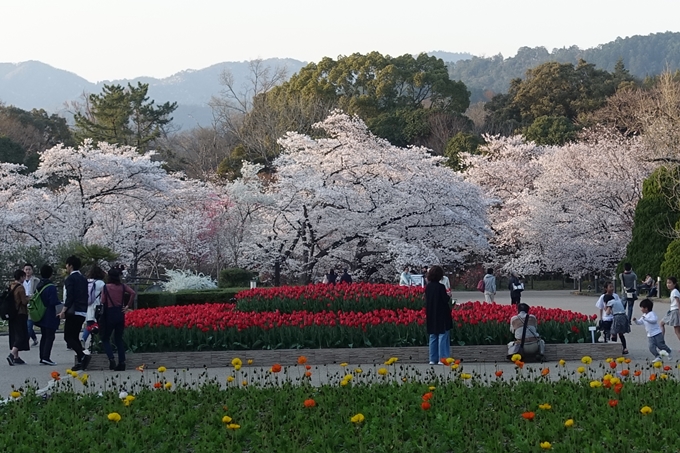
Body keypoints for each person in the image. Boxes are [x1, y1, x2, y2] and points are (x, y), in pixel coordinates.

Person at [100, 268, 136, 371]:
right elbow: (133, 293)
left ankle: (111, 359)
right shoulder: (123, 286)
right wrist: (127, 306)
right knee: (118, 339)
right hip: (120, 313)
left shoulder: (106, 287)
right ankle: (122, 362)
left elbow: (103, 301)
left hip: (109, 314)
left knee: (105, 338)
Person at [60, 255, 91, 371]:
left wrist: (63, 310)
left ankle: (83, 356)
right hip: (82, 311)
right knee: (75, 336)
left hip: (73, 311)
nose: (66, 267)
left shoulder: (70, 279)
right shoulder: (83, 279)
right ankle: (81, 360)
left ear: (70, 266)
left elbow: (70, 297)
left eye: (67, 265)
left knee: (68, 337)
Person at [424, 265, 452, 365]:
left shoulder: (428, 287)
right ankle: (442, 358)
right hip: (441, 314)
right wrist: (448, 296)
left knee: (433, 335)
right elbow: (444, 300)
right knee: (442, 335)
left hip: (431, 313)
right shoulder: (441, 287)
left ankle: (432, 359)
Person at [34, 265, 60, 366]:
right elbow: (53, 301)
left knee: (44, 336)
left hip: (41, 313)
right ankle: (46, 357)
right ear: (51, 274)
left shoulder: (39, 285)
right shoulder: (51, 287)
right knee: (50, 336)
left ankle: (42, 357)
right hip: (50, 313)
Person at [633, 298, 671, 363]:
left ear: (646, 308)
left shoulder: (652, 314)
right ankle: (657, 356)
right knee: (651, 347)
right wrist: (636, 321)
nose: (641, 309)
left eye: (642, 308)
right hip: (650, 334)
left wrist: (646, 319)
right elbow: (640, 322)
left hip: (657, 333)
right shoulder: (644, 316)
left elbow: (654, 321)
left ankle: (668, 351)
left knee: (660, 345)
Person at [7, 270, 29, 366]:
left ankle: (16, 357)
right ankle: (12, 355)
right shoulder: (20, 288)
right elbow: (24, 302)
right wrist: (29, 298)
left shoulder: (11, 286)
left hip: (12, 314)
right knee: (21, 335)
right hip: (20, 313)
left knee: (14, 334)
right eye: (23, 277)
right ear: (21, 277)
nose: (24, 279)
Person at [82, 266, 106, 350]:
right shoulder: (101, 283)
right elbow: (104, 296)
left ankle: (84, 339)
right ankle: (95, 341)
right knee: (97, 324)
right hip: (97, 306)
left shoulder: (87, 282)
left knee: (89, 324)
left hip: (88, 305)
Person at [23, 263, 40, 346]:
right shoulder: (21, 281)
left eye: (29, 269)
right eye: (26, 269)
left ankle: (25, 341)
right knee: (25, 324)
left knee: (29, 324)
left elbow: (38, 292)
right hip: (23, 305)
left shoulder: (36, 280)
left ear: (32, 270)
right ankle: (34, 338)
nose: (27, 271)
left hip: (32, 304)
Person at [660, 277, 680, 344]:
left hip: (675, 311)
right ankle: (661, 341)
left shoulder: (675, 292)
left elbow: (678, 302)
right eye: (667, 283)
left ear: (674, 284)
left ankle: (661, 341)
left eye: (670, 283)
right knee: (661, 323)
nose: (668, 284)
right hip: (672, 311)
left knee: (677, 330)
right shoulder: (673, 291)